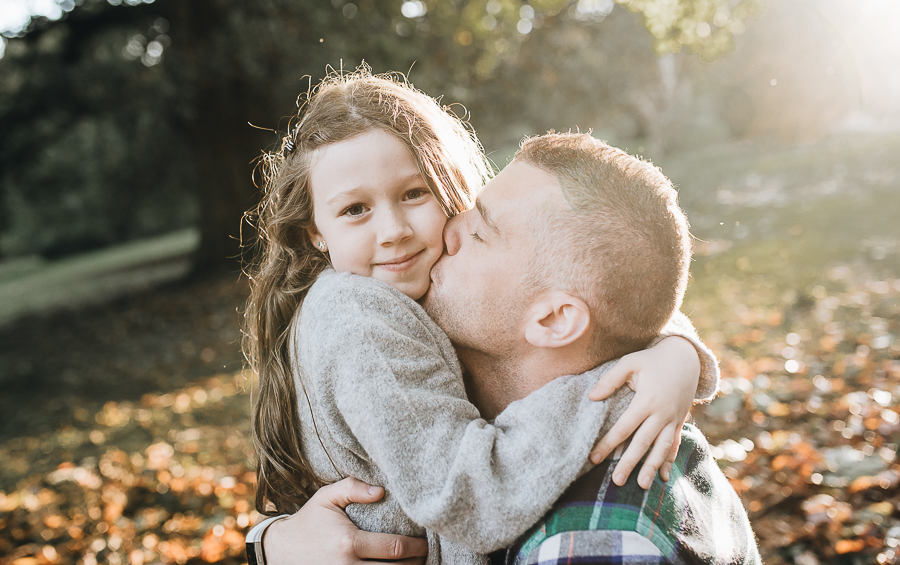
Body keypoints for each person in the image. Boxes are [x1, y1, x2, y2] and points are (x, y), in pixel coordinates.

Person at [243, 71, 720, 565]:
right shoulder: (361, 317)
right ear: (315, 232)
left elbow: (609, 296)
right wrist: (622, 394)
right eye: (355, 209)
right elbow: (472, 493)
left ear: (449, 190)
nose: (393, 232)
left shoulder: (419, 285)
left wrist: (673, 351)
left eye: (414, 194)